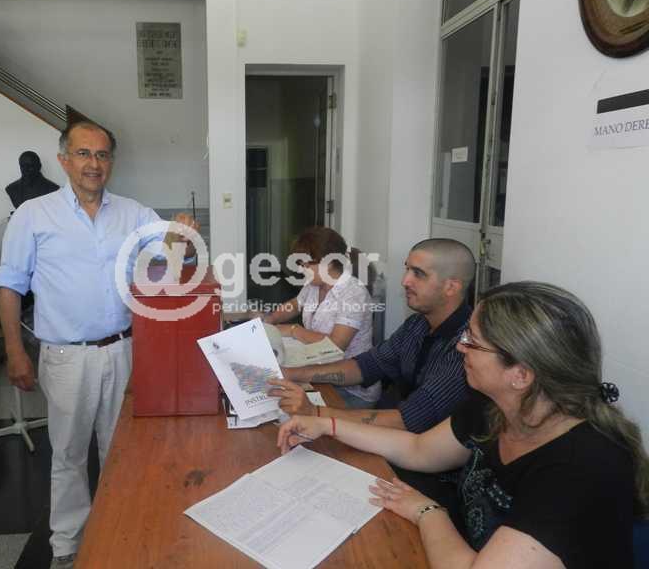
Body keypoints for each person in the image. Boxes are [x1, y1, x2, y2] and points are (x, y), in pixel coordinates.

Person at [279, 281, 649, 569]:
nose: (460, 346)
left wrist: (428, 514)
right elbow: (418, 449)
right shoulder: (496, 406)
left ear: (521, 374)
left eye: (473, 341)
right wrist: (327, 425)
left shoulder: (581, 466)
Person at [0, 120, 196, 569]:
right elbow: (9, 285)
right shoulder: (33, 214)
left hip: (124, 350)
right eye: (83, 153)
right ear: (64, 160)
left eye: (102, 155)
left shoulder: (134, 213)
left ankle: (120, 534)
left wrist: (181, 237)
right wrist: (14, 350)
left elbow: (170, 263)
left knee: (122, 451)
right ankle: (67, 547)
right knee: (68, 454)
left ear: (111, 162)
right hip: (66, 356)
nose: (93, 164)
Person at [269, 238, 475, 433]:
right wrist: (291, 374)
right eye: (407, 269)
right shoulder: (417, 324)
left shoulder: (466, 346)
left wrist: (316, 413)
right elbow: (364, 366)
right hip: (393, 422)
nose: (405, 281)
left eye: (418, 274)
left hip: (417, 445)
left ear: (451, 287)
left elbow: (409, 420)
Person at [262, 226, 375, 407]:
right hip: (317, 370)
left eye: (305, 264)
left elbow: (336, 345)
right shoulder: (314, 284)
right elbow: (295, 305)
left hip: (349, 389)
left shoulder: (354, 294)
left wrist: (293, 330)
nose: (301, 270)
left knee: (285, 407)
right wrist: (269, 319)